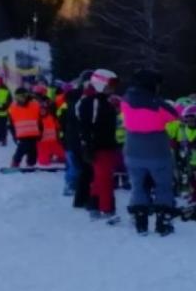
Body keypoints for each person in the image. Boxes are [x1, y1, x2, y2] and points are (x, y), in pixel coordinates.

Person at [120, 68, 179, 236]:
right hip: (157, 151)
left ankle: (140, 222)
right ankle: (163, 222)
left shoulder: (126, 100)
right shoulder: (157, 105)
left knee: (138, 186)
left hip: (132, 151)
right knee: (163, 186)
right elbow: (174, 115)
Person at [76, 68, 121, 221]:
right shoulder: (91, 102)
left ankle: (94, 206)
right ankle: (107, 209)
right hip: (98, 147)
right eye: (110, 84)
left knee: (99, 178)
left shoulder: (106, 101)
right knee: (105, 178)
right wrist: (87, 145)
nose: (113, 88)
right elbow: (85, 126)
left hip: (107, 145)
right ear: (101, 84)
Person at [7, 87, 43, 168]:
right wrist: (14, 135)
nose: (20, 99)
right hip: (22, 134)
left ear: (26, 96)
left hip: (34, 133)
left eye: (21, 96)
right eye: (17, 97)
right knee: (21, 149)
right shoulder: (13, 107)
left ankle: (31, 163)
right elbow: (11, 124)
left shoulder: (35, 105)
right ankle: (15, 162)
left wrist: (41, 131)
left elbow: (40, 120)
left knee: (33, 150)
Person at [35, 86, 66, 167]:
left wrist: (60, 138)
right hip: (42, 145)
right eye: (41, 109)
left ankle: (57, 155)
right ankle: (46, 155)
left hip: (54, 143)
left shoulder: (52, 118)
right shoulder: (36, 119)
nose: (42, 111)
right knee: (44, 162)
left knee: (64, 158)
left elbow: (59, 129)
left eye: (44, 109)